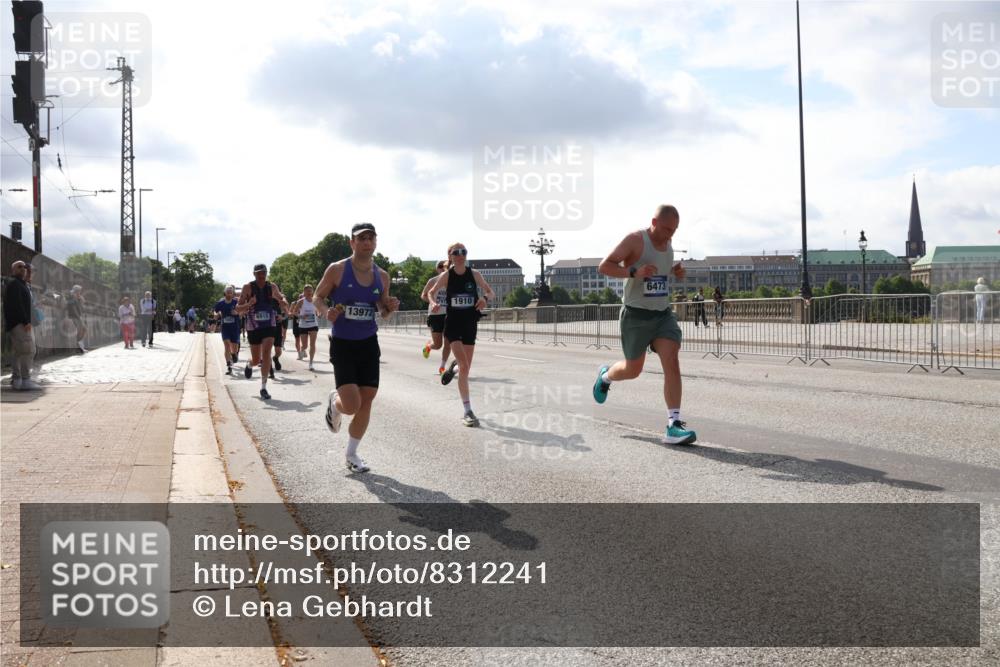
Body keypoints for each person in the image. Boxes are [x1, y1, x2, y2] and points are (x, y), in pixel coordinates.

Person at [592, 204, 696, 445]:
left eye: (675, 230)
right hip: (636, 316)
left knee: (672, 360)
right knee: (633, 369)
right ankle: (605, 377)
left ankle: (674, 425)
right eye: (667, 228)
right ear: (654, 222)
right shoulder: (635, 240)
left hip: (661, 314)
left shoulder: (668, 243)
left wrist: (674, 271)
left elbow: (658, 271)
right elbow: (604, 266)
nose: (671, 235)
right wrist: (633, 272)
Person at [313, 222, 400, 473]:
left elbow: (382, 311)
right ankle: (335, 402)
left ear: (375, 242)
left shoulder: (382, 276)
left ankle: (352, 454)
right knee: (351, 405)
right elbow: (318, 297)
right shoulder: (337, 270)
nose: (367, 242)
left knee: (367, 401)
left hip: (368, 344)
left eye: (371, 238)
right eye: (361, 238)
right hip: (343, 344)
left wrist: (389, 307)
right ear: (352, 243)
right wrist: (324, 311)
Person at [426, 242, 495, 427]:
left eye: (463, 251)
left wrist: (484, 299)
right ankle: (467, 410)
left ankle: (453, 368)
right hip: (454, 325)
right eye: (456, 252)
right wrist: (433, 303)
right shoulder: (446, 276)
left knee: (465, 368)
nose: (460, 254)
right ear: (450, 256)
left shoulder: (474, 274)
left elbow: (490, 291)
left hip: (470, 324)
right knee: (465, 365)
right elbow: (431, 293)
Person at [236, 264, 287, 399]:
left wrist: (283, 302)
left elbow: (281, 298)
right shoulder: (248, 287)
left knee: (266, 353)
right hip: (253, 326)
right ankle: (250, 363)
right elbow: (238, 309)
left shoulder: (272, 286)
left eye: (263, 272)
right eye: (259, 273)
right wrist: (249, 304)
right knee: (256, 359)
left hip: (269, 325)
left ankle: (263, 387)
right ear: (254, 274)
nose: (261, 275)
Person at [4, 261, 39, 390]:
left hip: (20, 323)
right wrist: (25, 322)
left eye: (24, 267)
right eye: (19, 267)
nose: (23, 268)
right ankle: (25, 379)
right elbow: (17, 305)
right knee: (27, 350)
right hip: (20, 323)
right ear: (13, 270)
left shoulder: (21, 284)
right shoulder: (14, 284)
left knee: (19, 351)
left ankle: (17, 379)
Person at [420, 260, 452, 375]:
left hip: (449, 314)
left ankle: (442, 367)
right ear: (437, 269)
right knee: (438, 345)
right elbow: (423, 295)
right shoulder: (432, 281)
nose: (443, 268)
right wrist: (433, 303)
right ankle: (428, 347)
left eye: (446, 266)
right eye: (440, 266)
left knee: (448, 343)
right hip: (435, 315)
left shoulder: (452, 281)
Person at [291, 285, 320, 370]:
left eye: (310, 291)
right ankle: (301, 350)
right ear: (304, 292)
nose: (309, 293)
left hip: (313, 324)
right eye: (307, 291)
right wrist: (301, 316)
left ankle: (311, 363)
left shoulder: (315, 301)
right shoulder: (301, 301)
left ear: (312, 292)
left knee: (312, 344)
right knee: (305, 345)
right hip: (303, 325)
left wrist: (319, 314)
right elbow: (294, 312)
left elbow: (318, 310)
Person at [215, 285, 241, 374]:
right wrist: (216, 314)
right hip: (225, 327)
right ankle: (229, 365)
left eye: (231, 292)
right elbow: (215, 310)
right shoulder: (221, 303)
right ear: (225, 292)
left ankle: (234, 354)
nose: (229, 293)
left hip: (234, 327)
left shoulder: (236, 302)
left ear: (233, 293)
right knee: (226, 345)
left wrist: (237, 312)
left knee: (234, 347)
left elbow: (242, 311)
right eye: (228, 291)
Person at [66, 285, 88, 352]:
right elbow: (72, 307)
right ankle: (79, 347)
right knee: (81, 330)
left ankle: (79, 345)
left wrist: (81, 300)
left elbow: (81, 305)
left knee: (83, 329)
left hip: (78, 315)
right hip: (74, 316)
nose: (80, 292)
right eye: (79, 291)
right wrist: (78, 316)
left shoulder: (77, 297)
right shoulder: (72, 295)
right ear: (76, 290)